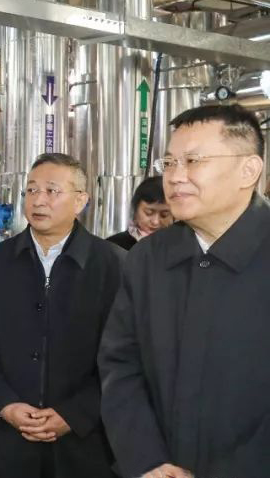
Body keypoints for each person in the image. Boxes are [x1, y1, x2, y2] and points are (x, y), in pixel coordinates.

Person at [99, 104, 270, 478]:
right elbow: (120, 364)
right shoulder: (147, 259)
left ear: (248, 170)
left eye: (193, 161)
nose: (175, 177)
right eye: (169, 163)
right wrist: (146, 460)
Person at [0, 153, 123, 478]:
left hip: (86, 448)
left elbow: (124, 357)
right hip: (7, 445)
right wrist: (4, 404)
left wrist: (75, 414)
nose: (38, 200)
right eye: (31, 190)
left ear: (80, 201)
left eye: (52, 191)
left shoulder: (115, 266)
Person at [105, 177, 172, 250]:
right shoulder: (114, 246)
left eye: (164, 215)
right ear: (135, 210)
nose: (155, 222)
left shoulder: (177, 246)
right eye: (148, 213)